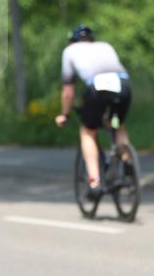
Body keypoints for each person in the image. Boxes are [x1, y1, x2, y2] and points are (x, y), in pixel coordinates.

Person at [54, 24, 132, 195]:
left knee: (88, 131)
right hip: (124, 85)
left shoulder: (70, 51)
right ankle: (128, 167)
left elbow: (68, 91)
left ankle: (94, 181)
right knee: (117, 124)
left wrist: (64, 114)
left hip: (97, 87)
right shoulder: (105, 46)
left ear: (72, 40)